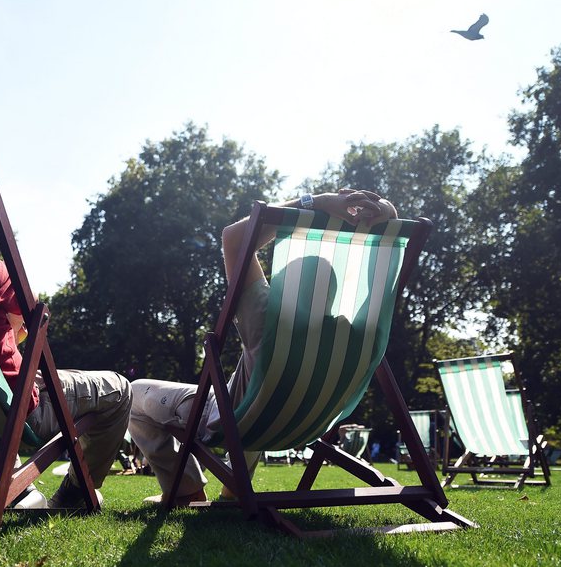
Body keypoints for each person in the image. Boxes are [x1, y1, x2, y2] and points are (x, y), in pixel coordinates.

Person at [128, 190, 397, 504]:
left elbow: (235, 238)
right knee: (259, 390)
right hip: (303, 424)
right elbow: (383, 269)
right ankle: (233, 489)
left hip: (234, 417)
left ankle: (186, 490)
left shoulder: (267, 320)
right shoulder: (359, 333)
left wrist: (317, 202)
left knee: (133, 392)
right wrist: (384, 211)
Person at [0, 172, 131, 509]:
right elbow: (33, 319)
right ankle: (76, 493)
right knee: (119, 389)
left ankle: (19, 490)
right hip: (9, 411)